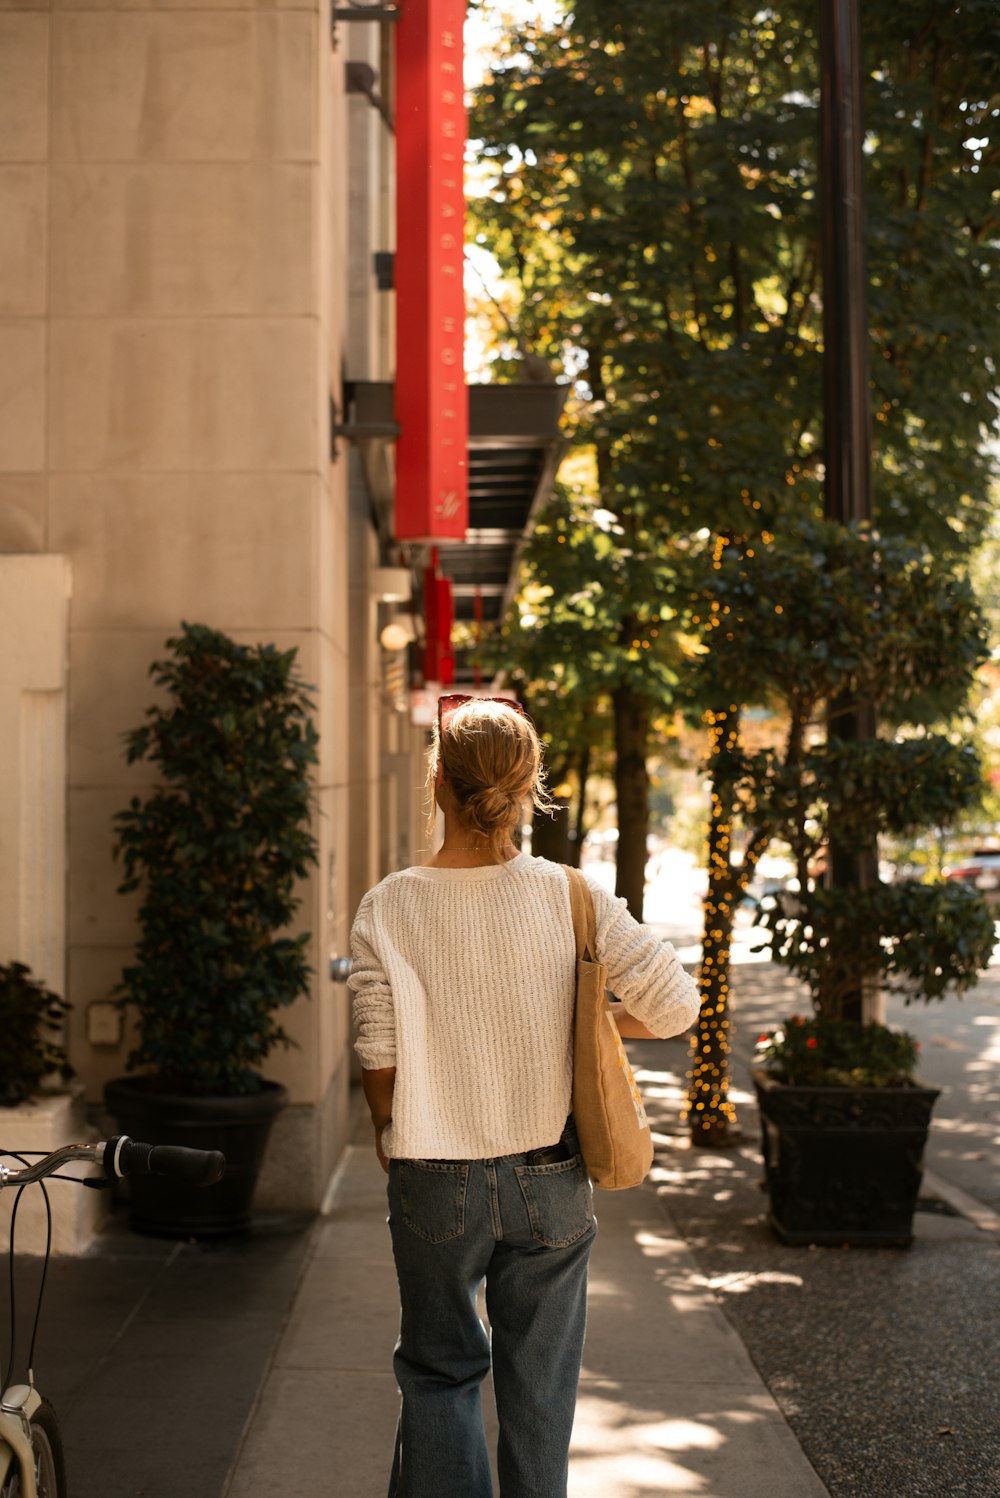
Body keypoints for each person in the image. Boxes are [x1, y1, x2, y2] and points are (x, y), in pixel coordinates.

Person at [348, 695, 700, 1498]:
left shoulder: (390, 902)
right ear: (528, 786)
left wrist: (387, 1135)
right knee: (541, 1391)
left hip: (432, 1171)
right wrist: (584, 1014)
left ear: (438, 781)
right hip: (549, 1175)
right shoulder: (570, 894)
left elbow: (379, 1055)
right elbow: (675, 1006)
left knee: (439, 1375)